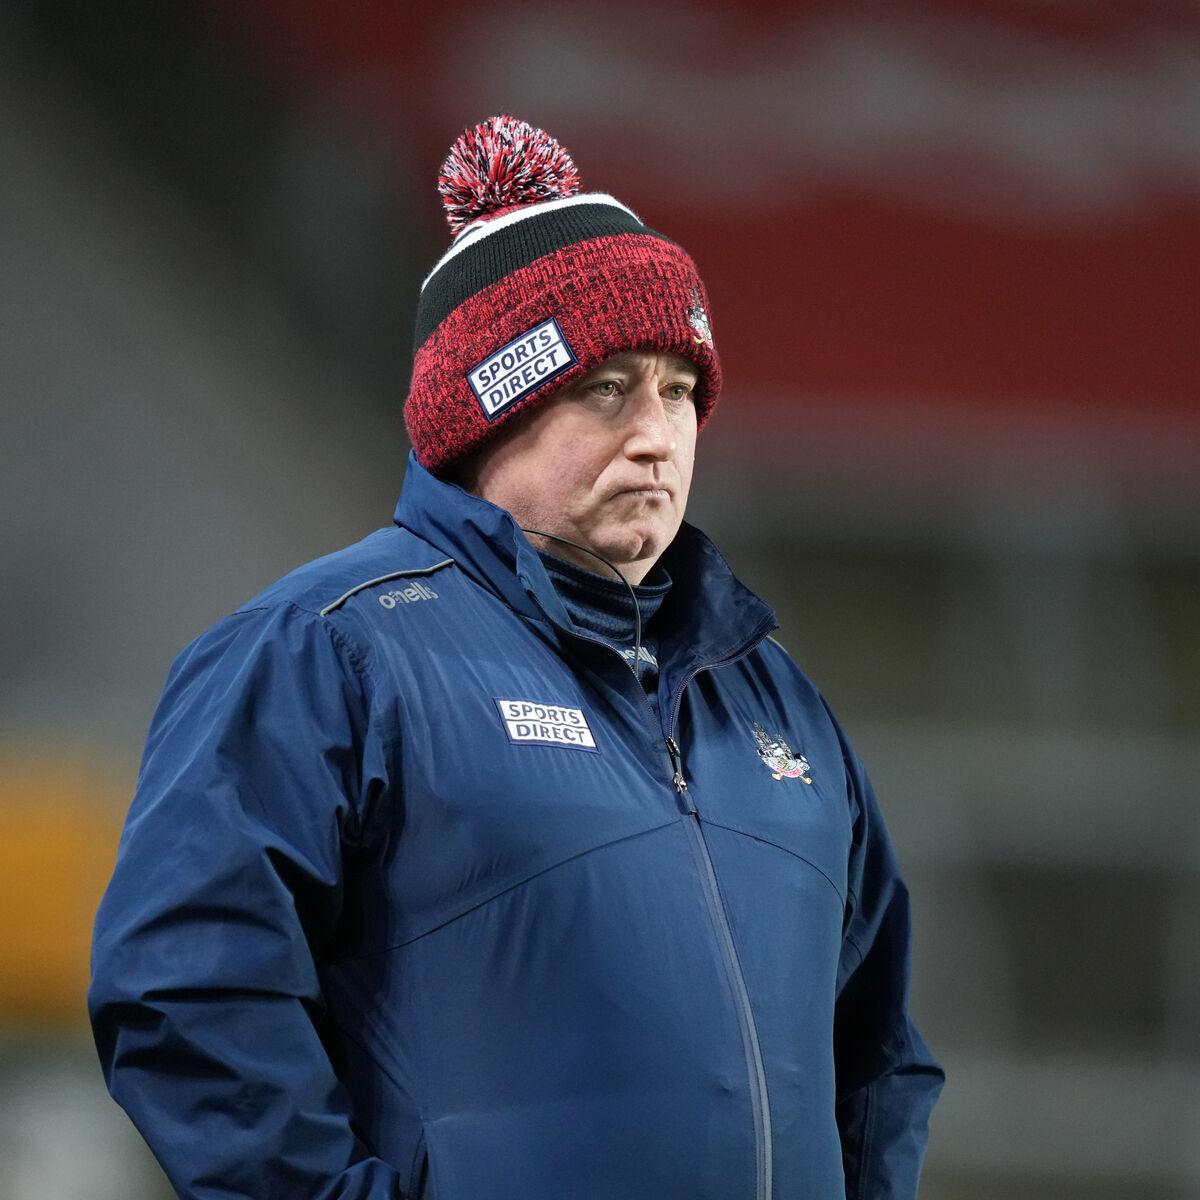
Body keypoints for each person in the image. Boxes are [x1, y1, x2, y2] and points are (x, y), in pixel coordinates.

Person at [89, 115, 943, 1200]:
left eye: (681, 390)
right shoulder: (328, 649)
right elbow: (186, 998)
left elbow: (879, 1057)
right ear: (488, 414)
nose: (658, 434)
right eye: (607, 390)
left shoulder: (772, 697)